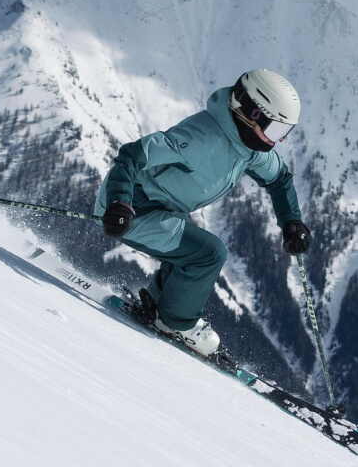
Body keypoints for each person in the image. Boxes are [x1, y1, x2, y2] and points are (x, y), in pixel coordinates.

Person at [95, 69, 311, 356]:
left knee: (192, 246)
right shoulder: (200, 139)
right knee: (208, 253)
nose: (279, 141)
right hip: (132, 208)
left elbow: (279, 179)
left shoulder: (251, 148)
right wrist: (119, 202)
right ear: (253, 114)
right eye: (276, 130)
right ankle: (174, 323)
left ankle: (160, 306)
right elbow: (133, 154)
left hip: (163, 207)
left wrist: (291, 220)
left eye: (285, 132)